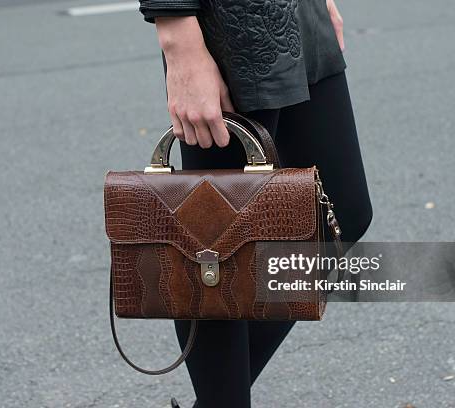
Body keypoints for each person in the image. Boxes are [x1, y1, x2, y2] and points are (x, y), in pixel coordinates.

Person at [138, 1, 373, 407]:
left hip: (298, 10)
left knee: (342, 213)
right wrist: (177, 36)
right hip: (229, 20)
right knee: (215, 252)